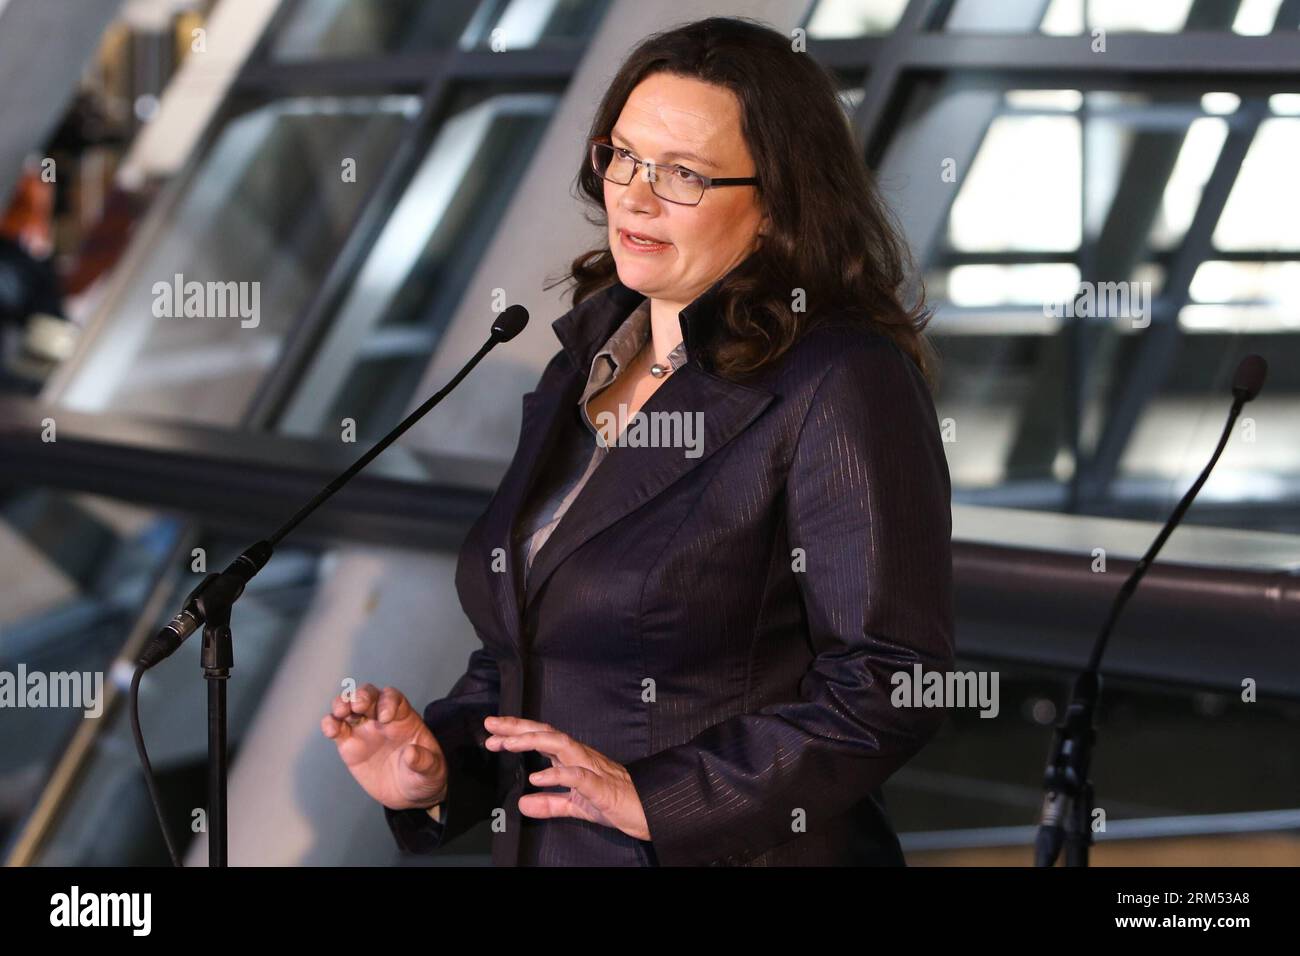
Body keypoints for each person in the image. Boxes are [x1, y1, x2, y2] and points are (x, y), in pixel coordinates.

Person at [322, 16, 953, 866]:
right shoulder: (583, 361)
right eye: (623, 155)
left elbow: (891, 679)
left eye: (683, 174)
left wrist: (661, 799)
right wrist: (440, 770)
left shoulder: (839, 379)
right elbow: (533, 645)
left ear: (777, 206)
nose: (635, 194)